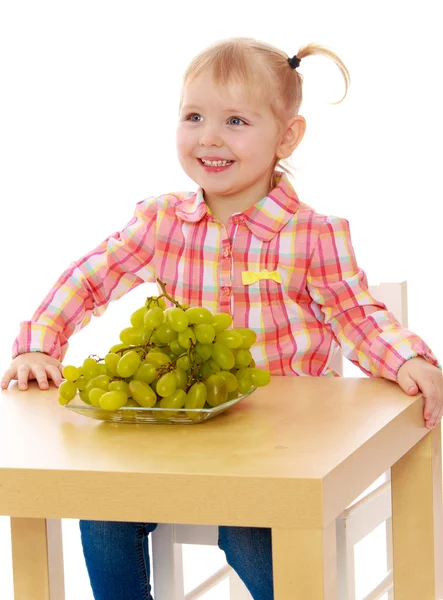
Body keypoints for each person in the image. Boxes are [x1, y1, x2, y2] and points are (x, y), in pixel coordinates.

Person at [2, 37, 442, 600]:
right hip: (178, 433)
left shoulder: (313, 233)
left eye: (235, 120)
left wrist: (407, 357)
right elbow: (91, 275)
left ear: (287, 136)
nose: (209, 136)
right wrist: (39, 344)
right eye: (193, 116)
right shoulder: (162, 221)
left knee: (252, 535)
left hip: (285, 447)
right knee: (104, 512)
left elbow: (357, 314)